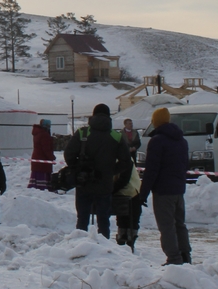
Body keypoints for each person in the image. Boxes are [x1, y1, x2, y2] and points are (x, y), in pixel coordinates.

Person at [64, 103, 132, 239]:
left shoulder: (83, 133)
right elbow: (126, 162)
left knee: (82, 218)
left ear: (93, 116)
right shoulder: (116, 136)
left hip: (84, 182)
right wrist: (111, 171)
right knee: (103, 220)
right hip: (105, 184)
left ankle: (80, 246)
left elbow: (68, 154)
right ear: (109, 116)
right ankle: (103, 247)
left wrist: (78, 168)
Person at [138, 107, 191, 264]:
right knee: (179, 224)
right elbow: (184, 165)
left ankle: (174, 258)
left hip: (163, 191)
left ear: (156, 122)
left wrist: (143, 193)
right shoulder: (182, 140)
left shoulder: (157, 141)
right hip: (178, 189)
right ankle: (185, 255)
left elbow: (152, 170)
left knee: (166, 226)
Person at [113, 156, 143, 251]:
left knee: (126, 216)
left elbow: (123, 180)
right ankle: (128, 239)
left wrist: (108, 190)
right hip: (132, 190)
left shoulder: (123, 158)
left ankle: (125, 239)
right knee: (130, 218)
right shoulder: (125, 157)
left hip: (128, 190)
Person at [28, 119, 55, 190]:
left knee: (37, 176)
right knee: (43, 178)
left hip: (36, 159)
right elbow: (46, 149)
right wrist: (52, 157)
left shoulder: (37, 133)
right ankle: (43, 189)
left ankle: (36, 189)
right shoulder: (44, 135)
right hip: (43, 161)